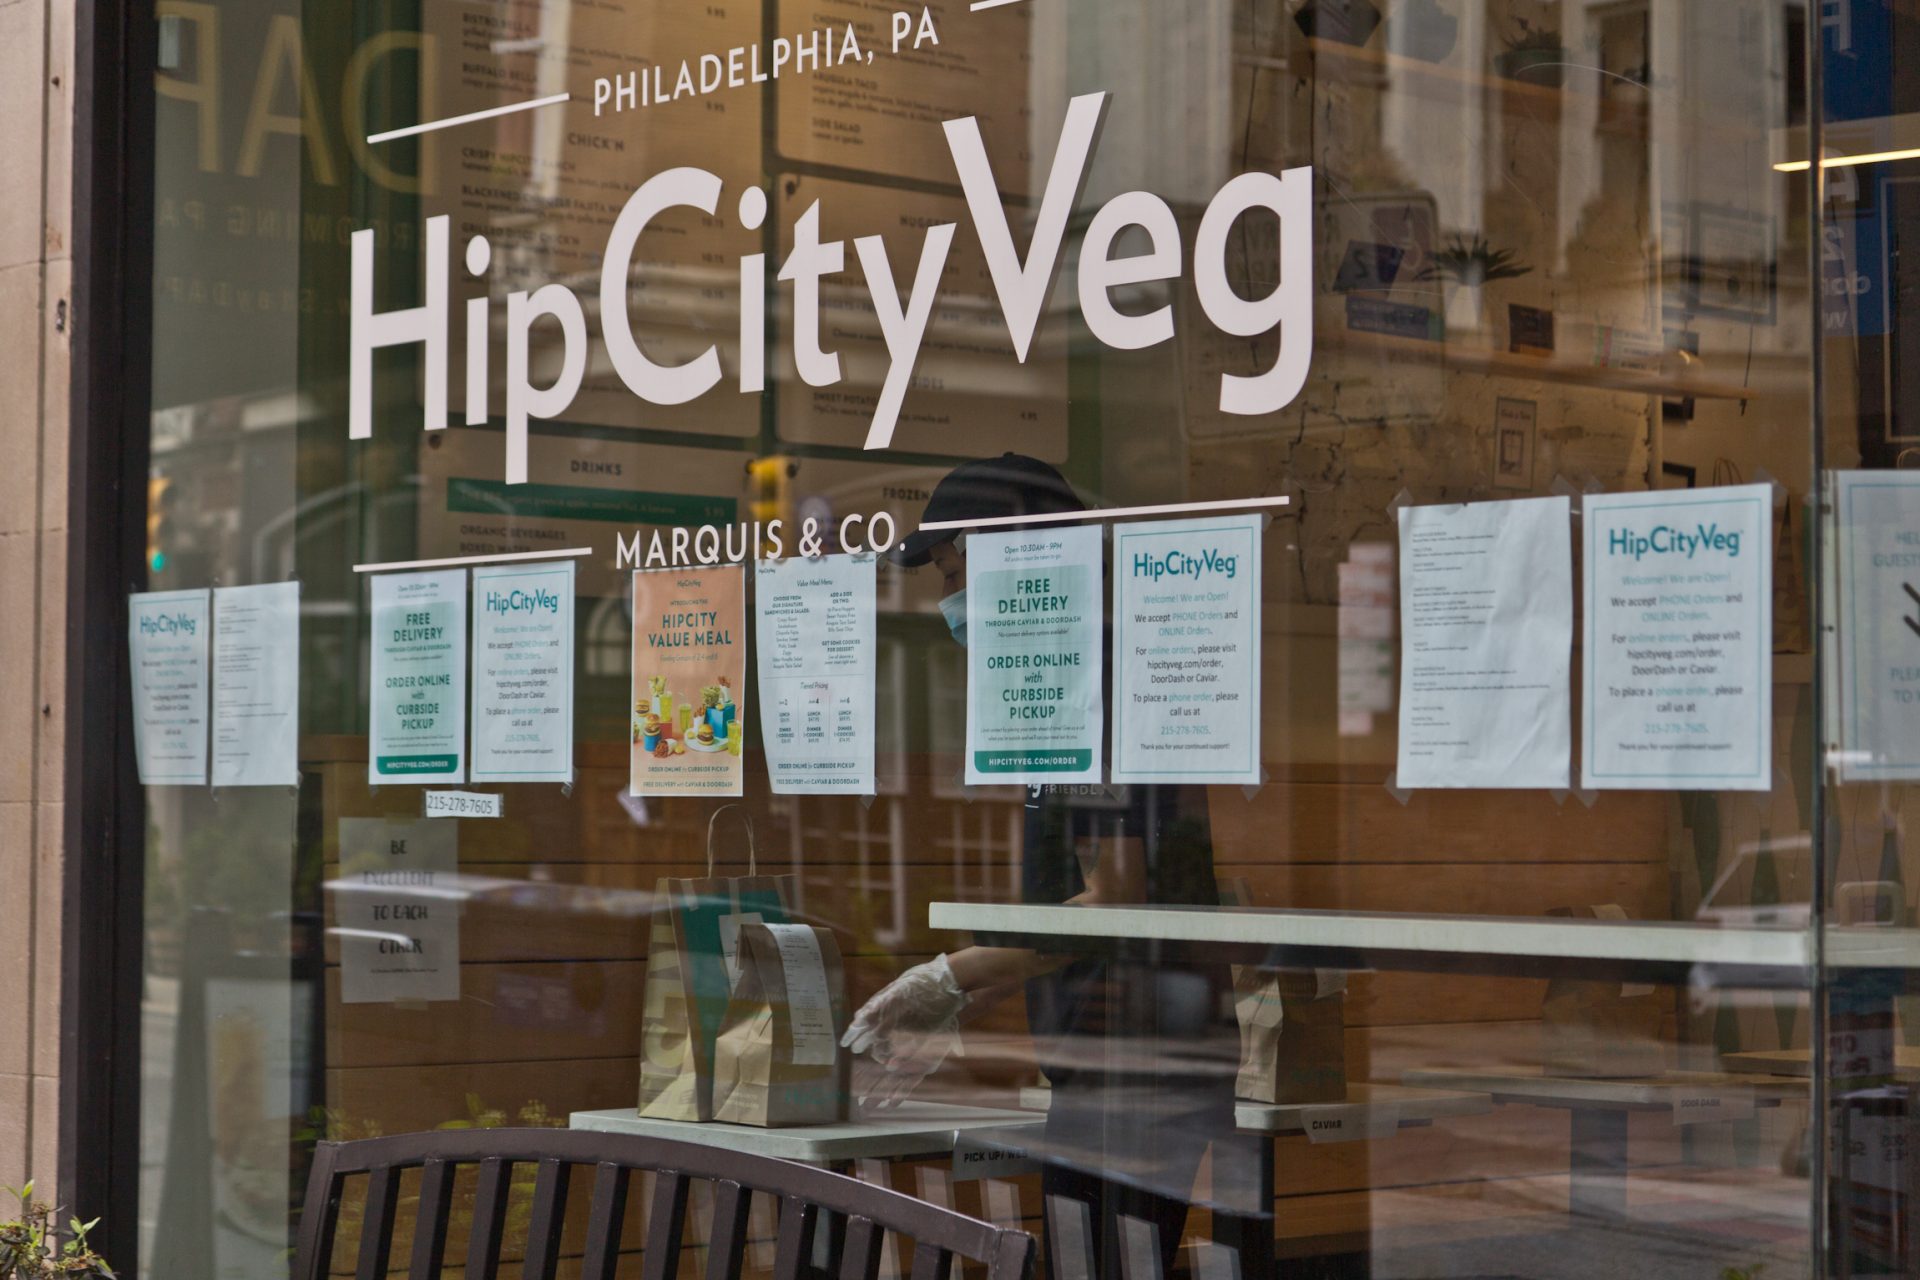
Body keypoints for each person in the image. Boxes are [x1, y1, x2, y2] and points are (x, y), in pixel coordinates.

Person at [842, 454, 1252, 1280]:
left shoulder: (1092, 683)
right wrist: (966, 1002)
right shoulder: (1059, 683)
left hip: (1142, 1071)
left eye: (953, 570)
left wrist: (949, 977)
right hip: (1112, 1066)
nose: (944, 597)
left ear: (1019, 556)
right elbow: (1078, 914)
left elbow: (1110, 904)